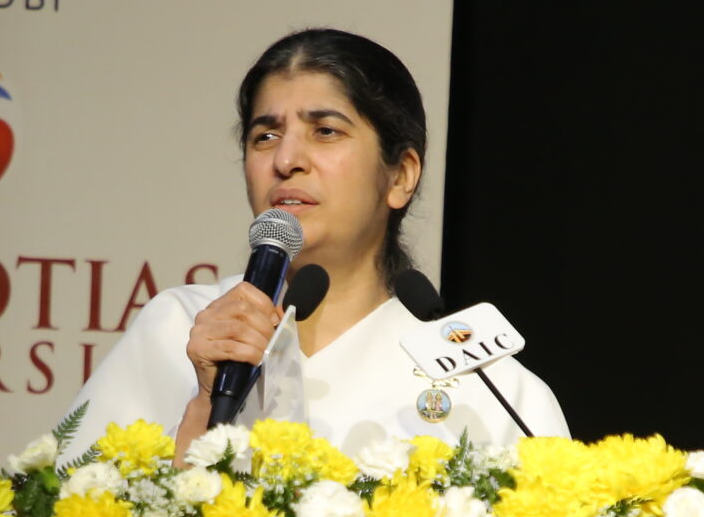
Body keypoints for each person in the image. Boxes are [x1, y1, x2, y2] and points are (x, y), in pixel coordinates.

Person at [63, 29, 568, 462]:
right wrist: (204, 406)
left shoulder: (488, 385)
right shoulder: (178, 326)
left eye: (325, 131)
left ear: (400, 175)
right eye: (265, 136)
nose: (286, 160)